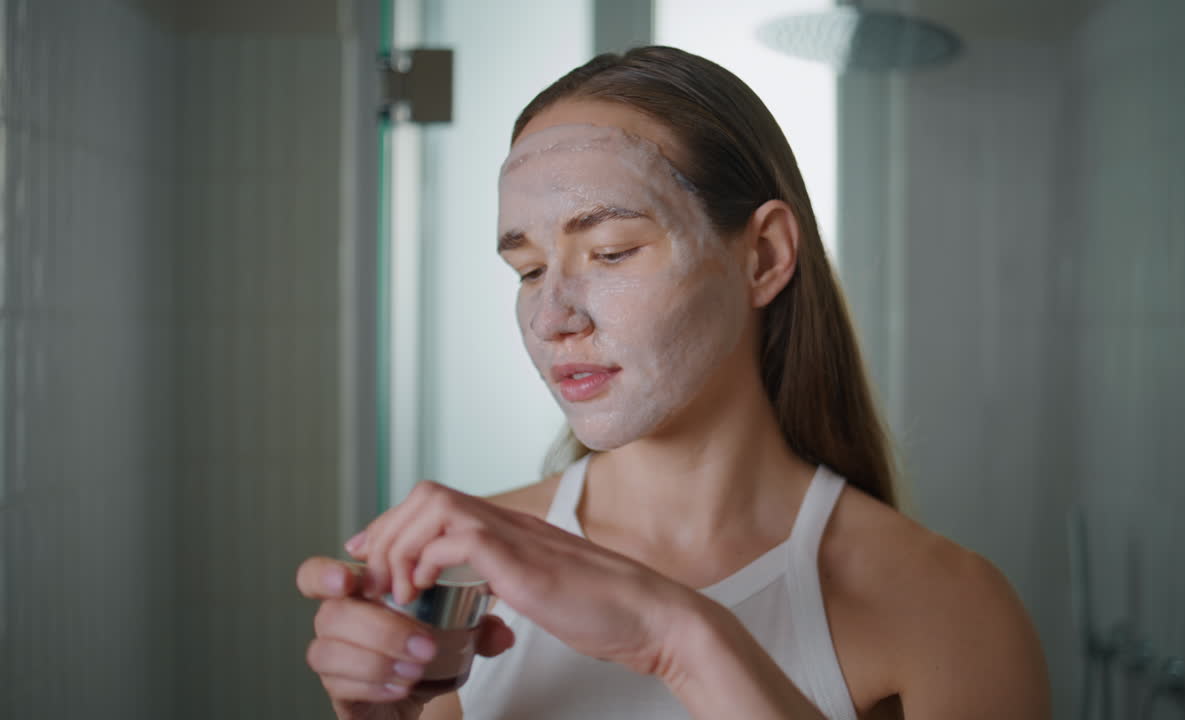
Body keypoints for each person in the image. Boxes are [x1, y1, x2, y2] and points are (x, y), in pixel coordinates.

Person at [295, 46, 1051, 720]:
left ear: (763, 257)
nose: (551, 316)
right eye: (527, 270)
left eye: (612, 251)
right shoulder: (467, 571)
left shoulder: (946, 607)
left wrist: (677, 636)